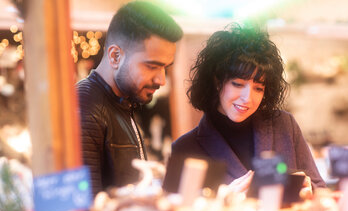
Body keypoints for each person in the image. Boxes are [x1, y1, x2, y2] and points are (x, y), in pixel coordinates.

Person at [163, 23, 325, 194]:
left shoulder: (284, 125)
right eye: (238, 84)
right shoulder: (185, 148)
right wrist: (222, 200)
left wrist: (310, 191)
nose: (247, 98)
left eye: (258, 88)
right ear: (217, 82)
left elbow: (321, 190)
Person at [76, 1, 183, 195]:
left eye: (165, 67)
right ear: (115, 56)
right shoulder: (85, 105)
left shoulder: (122, 102)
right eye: (152, 66)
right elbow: (84, 210)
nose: (161, 80)